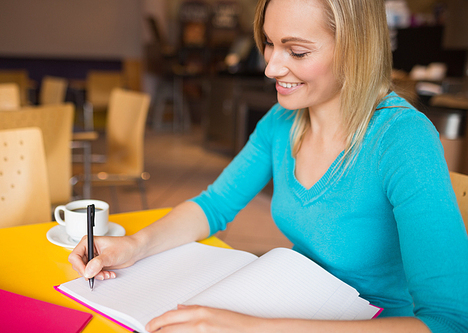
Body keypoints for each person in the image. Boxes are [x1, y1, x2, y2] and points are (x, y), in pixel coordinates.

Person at [69, 0, 468, 331]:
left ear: (355, 48)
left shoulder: (403, 140)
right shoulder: (281, 123)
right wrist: (133, 246)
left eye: (297, 51)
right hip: (296, 304)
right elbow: (214, 206)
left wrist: (255, 326)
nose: (271, 68)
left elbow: (449, 321)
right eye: (269, 43)